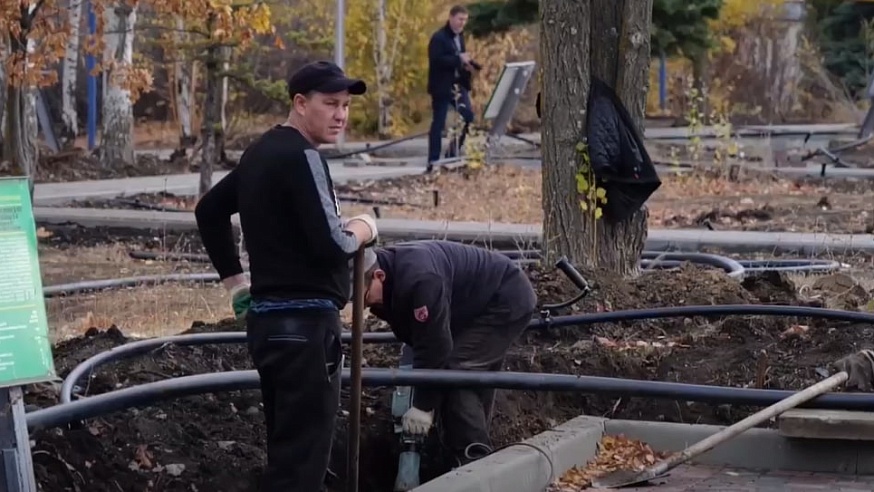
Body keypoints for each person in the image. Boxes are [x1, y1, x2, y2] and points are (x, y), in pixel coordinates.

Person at [194, 60, 379, 492]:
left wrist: (236, 285)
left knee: (286, 453)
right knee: (301, 467)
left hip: (268, 327)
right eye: (330, 103)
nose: (341, 115)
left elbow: (209, 210)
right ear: (300, 103)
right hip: (308, 330)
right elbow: (333, 244)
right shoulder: (303, 155)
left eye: (346, 105)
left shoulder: (260, 152)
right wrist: (363, 227)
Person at [354, 240, 538, 467]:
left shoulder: (421, 279)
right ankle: (466, 450)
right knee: (468, 375)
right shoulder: (392, 276)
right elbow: (419, 337)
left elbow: (436, 347)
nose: (363, 307)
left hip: (504, 299)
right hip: (472, 305)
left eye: (363, 298)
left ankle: (476, 462)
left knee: (456, 373)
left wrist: (423, 406)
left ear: (379, 276)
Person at [426, 5, 478, 172]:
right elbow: (437, 60)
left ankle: (452, 153)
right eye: (460, 19)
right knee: (438, 123)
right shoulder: (439, 38)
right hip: (442, 86)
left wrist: (469, 66)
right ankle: (433, 160)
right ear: (451, 18)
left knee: (468, 116)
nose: (462, 23)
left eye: (465, 20)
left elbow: (460, 59)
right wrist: (458, 59)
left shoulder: (460, 37)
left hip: (458, 85)